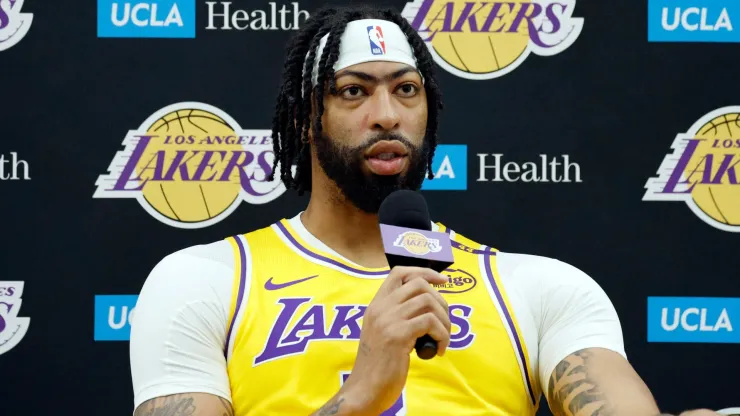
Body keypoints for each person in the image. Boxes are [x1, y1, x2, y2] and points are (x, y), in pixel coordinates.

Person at [129, 5, 719, 416]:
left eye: (406, 89)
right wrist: (360, 397)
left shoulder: (538, 287)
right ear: (307, 118)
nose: (387, 114)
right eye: (354, 90)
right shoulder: (207, 279)